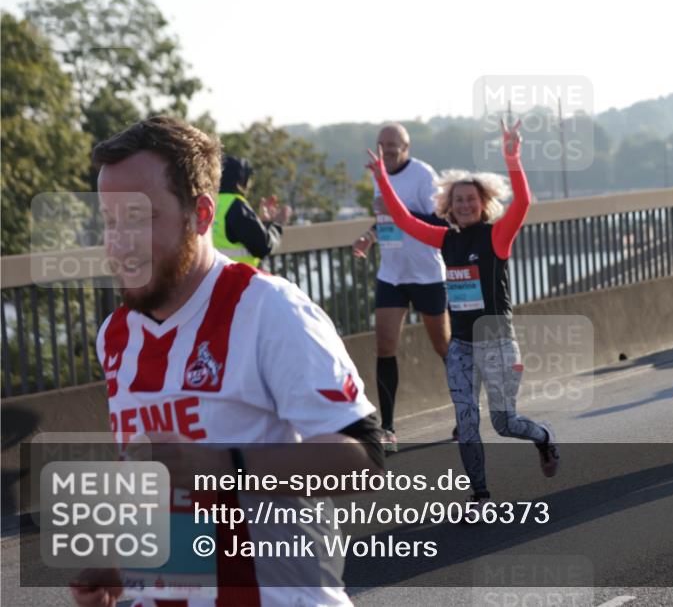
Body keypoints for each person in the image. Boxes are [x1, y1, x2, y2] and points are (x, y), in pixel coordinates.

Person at [72, 115, 383, 607]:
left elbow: (364, 457)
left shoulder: (269, 310)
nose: (118, 242)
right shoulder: (115, 335)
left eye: (138, 218)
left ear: (200, 214)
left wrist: (227, 465)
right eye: (109, 222)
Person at [366, 119, 559, 515]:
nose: (465, 205)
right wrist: (382, 178)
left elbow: (522, 203)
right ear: (448, 207)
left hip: (498, 341)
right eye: (458, 201)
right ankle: (480, 496)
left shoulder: (497, 236)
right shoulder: (445, 239)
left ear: (483, 203)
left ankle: (542, 438)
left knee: (505, 422)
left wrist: (512, 157)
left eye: (472, 199)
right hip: (462, 347)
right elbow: (403, 220)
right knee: (467, 423)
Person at [352, 124, 451, 452]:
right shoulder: (376, 174)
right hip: (392, 273)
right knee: (384, 346)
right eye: (382, 144)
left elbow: (442, 223)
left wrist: (401, 212)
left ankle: (465, 412)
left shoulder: (423, 175)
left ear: (407, 147)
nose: (387, 150)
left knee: (444, 346)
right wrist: (370, 235)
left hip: (425, 273)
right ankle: (389, 428)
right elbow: (385, 219)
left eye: (393, 145)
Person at [212, 153, 291, 266]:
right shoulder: (235, 206)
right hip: (239, 279)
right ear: (241, 181)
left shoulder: (208, 204)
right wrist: (277, 223)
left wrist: (263, 223)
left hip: (215, 279)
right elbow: (263, 247)